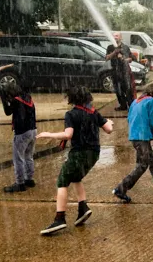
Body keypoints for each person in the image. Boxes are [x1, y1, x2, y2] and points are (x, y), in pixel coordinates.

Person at [37, 86, 114, 235]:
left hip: (79, 153)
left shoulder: (71, 114)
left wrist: (48, 134)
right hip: (94, 153)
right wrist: (109, 122)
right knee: (76, 177)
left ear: (71, 99)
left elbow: (68, 135)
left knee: (62, 181)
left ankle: (60, 218)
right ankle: (83, 208)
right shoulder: (93, 112)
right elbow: (108, 129)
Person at [112, 82, 153, 203]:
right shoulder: (151, 102)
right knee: (142, 165)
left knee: (152, 160)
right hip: (142, 137)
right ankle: (121, 189)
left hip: (135, 136)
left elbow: (129, 118)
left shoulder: (135, 102)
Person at [0, 81, 37, 192]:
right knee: (28, 156)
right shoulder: (27, 97)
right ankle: (29, 179)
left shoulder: (16, 101)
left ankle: (20, 183)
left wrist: (3, 99)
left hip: (22, 133)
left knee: (18, 159)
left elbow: (8, 112)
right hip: (33, 130)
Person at [105, 32, 135, 110]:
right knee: (118, 90)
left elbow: (131, 59)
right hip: (114, 71)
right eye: (114, 36)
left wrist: (123, 59)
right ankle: (123, 105)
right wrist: (114, 52)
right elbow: (107, 58)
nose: (115, 37)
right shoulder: (110, 47)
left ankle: (131, 106)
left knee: (127, 89)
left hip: (124, 71)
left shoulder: (125, 47)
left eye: (117, 36)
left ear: (121, 37)